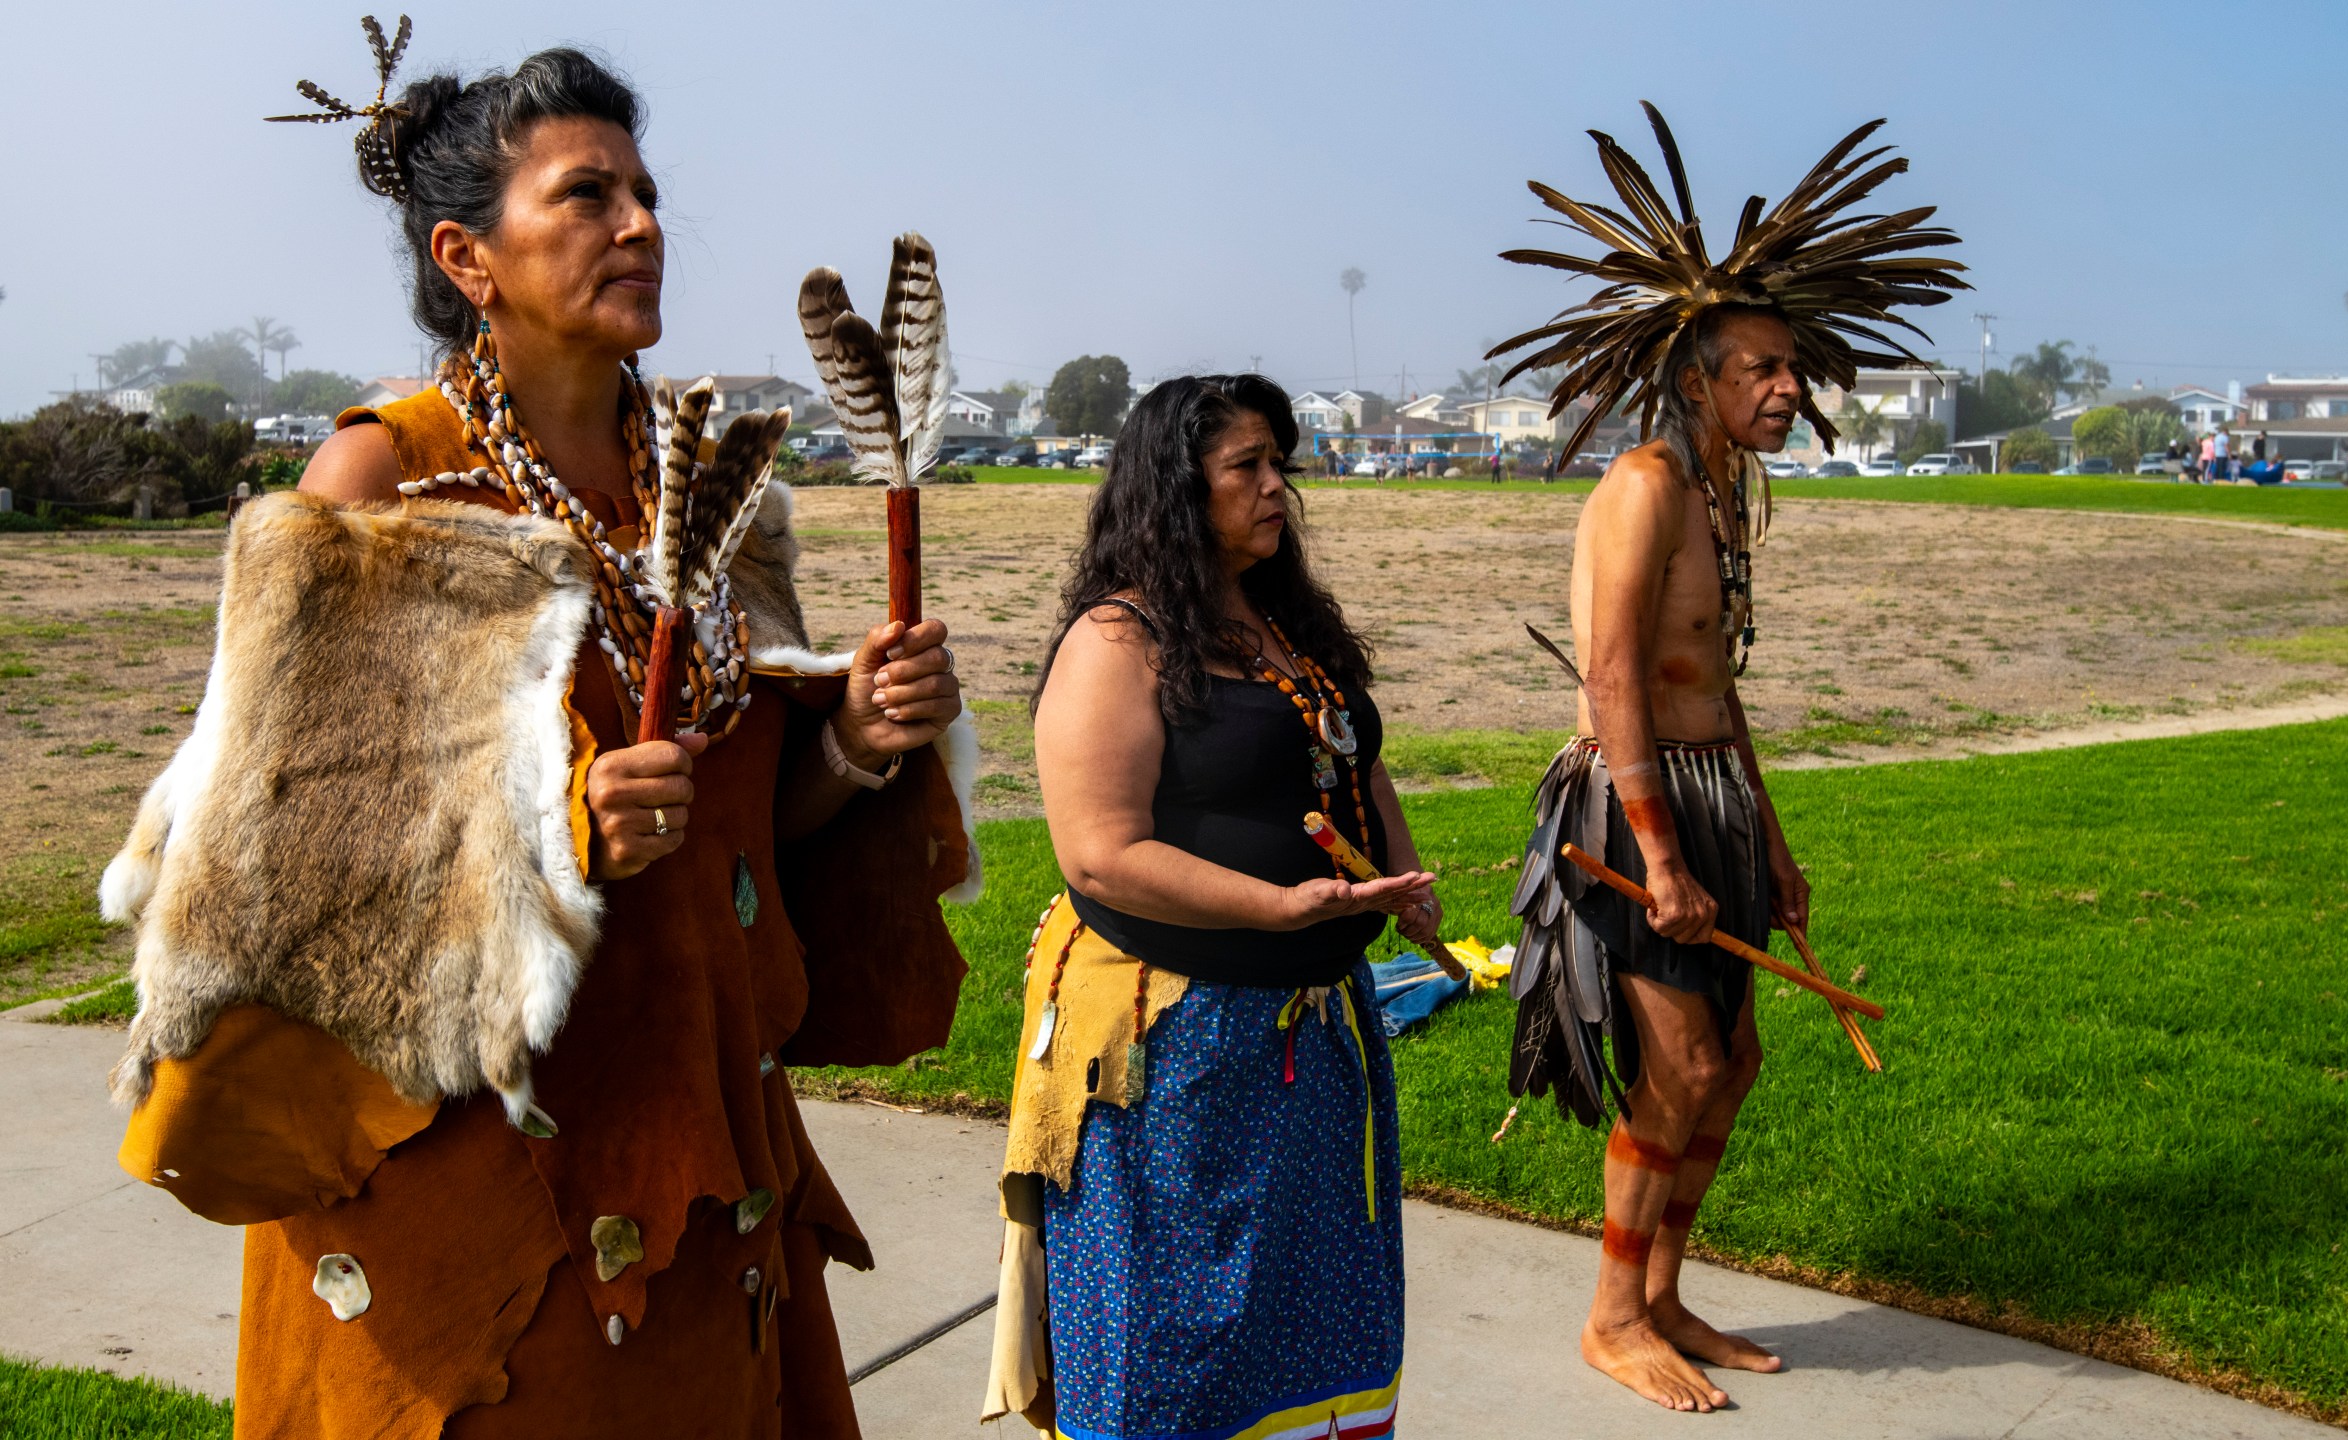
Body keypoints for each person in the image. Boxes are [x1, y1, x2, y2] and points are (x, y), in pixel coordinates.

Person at [107, 31, 972, 1438]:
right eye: (586, 196)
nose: (640, 226)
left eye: (643, 194)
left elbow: (733, 845)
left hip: (703, 1149)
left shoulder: (709, 487)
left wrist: (853, 749)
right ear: (467, 256)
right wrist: (558, 838)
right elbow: (283, 879)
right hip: (481, 1189)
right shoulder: (384, 480)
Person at [1488, 107, 1963, 1413]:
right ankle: (1610, 1316)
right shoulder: (1642, 487)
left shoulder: (1721, 498)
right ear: (1696, 375)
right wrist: (1659, 852)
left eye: (1793, 371)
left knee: (1734, 1064)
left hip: (1713, 804)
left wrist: (1774, 848)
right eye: (1760, 368)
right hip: (1628, 806)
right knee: (1682, 1067)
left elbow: (1720, 690)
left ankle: (1665, 1293)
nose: (1786, 390)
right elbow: (1615, 678)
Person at [983, 374, 1435, 1437]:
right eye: (1248, 466)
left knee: (1304, 1310)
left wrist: (1398, 883)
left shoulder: (1284, 623)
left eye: (1280, 462)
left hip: (1311, 1036)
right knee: (1174, 1329)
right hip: (1172, 1048)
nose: (1277, 486)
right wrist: (1276, 908)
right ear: (1175, 490)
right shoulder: (1118, 640)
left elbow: (1354, 762)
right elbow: (1100, 854)